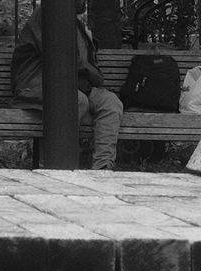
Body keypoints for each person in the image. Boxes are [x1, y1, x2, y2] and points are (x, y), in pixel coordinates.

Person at [9, 30, 123, 170]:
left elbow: (92, 72)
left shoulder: (78, 25)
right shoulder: (47, 16)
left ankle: (102, 168)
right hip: (38, 85)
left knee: (110, 102)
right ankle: (56, 166)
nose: (83, 7)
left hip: (76, 84)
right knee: (74, 100)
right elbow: (59, 58)